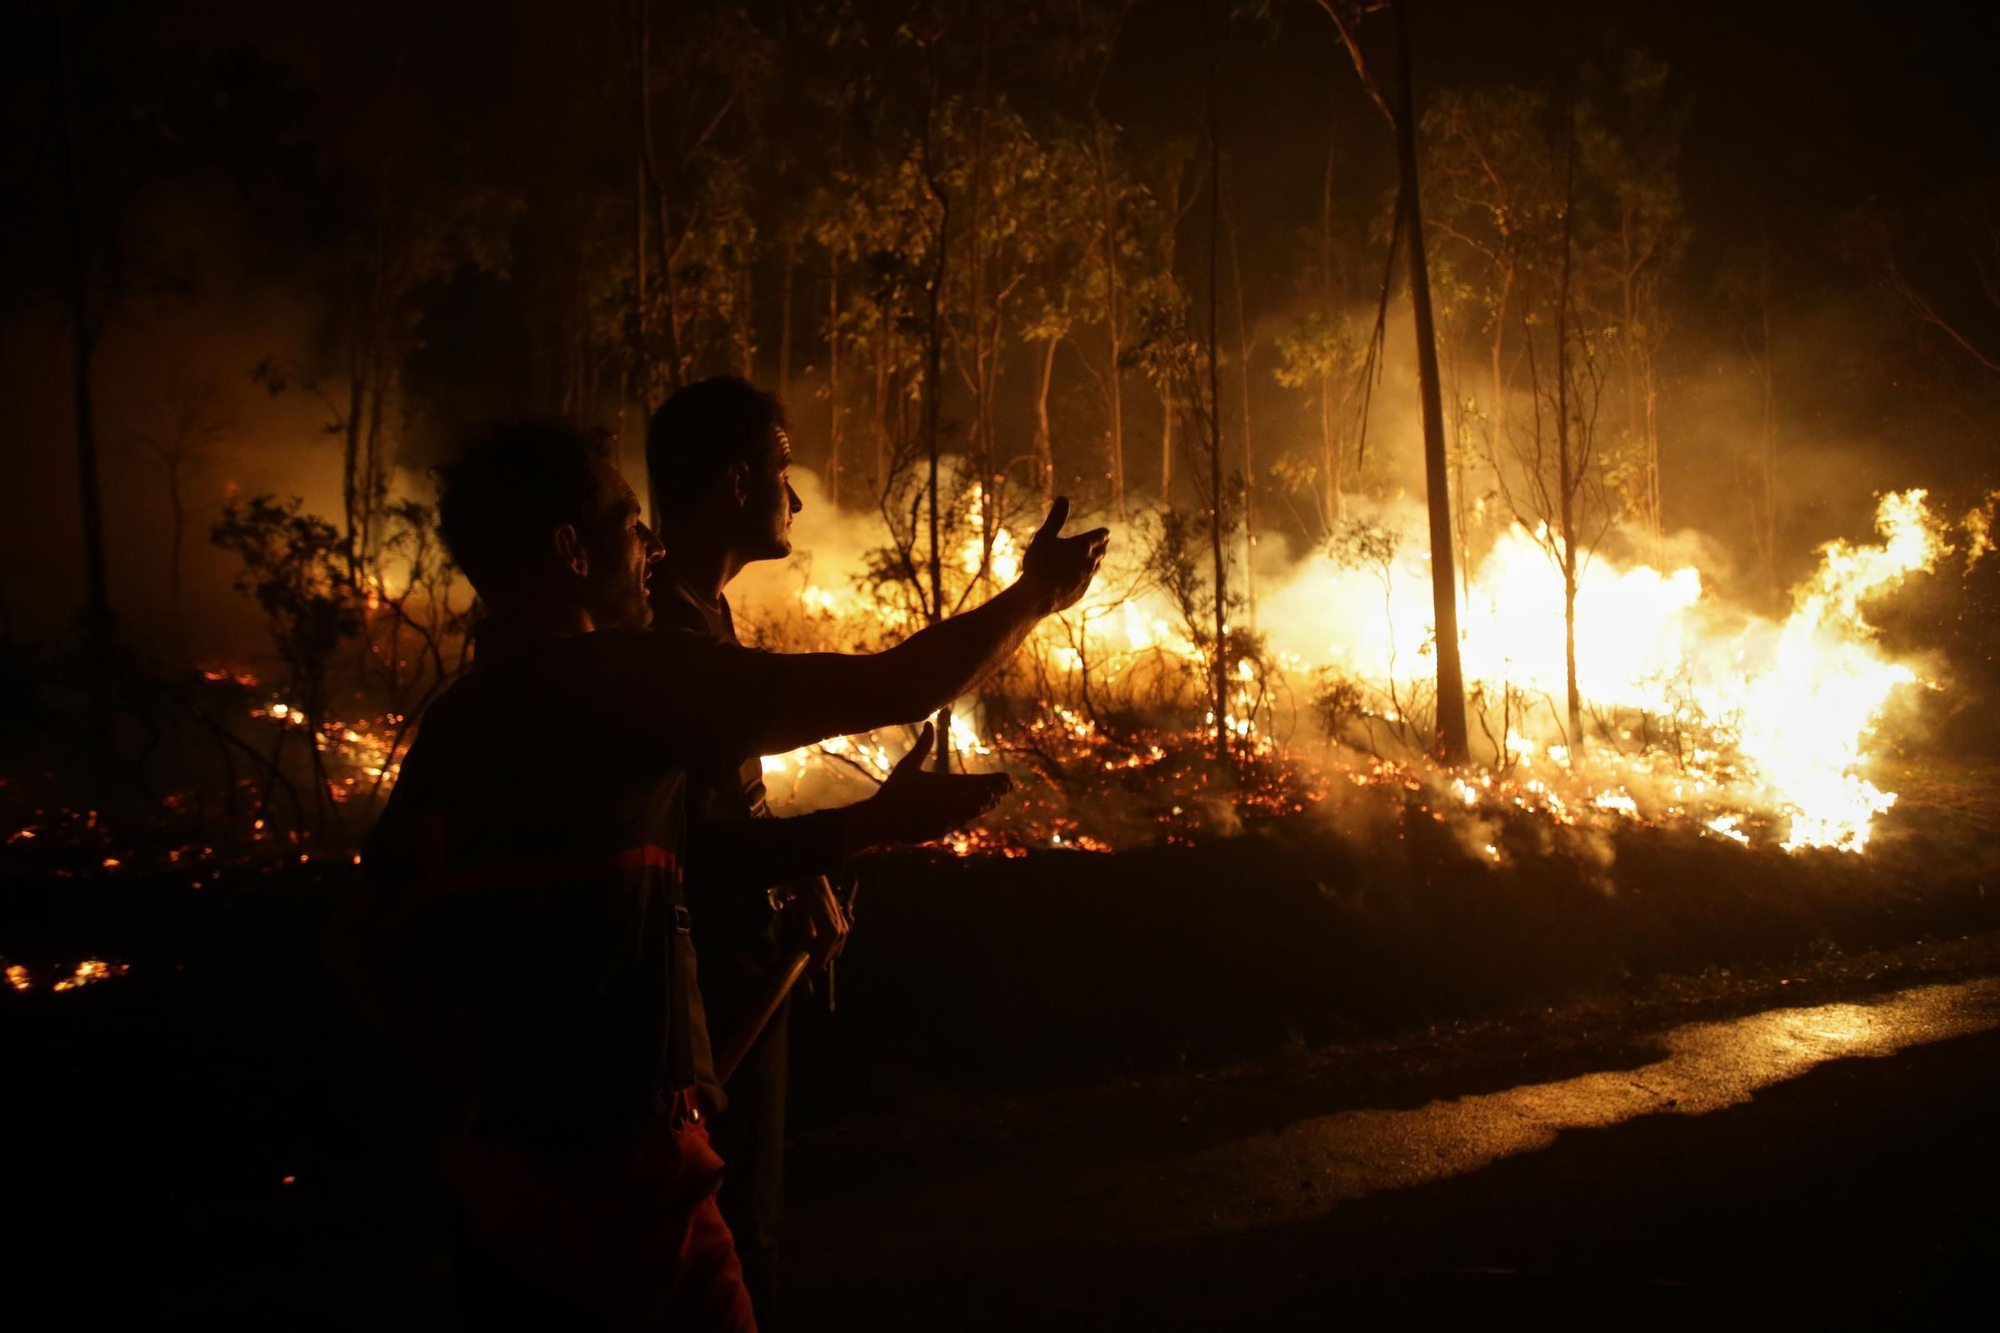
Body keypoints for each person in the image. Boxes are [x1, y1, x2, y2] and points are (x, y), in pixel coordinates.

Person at [353, 416, 1106, 1329]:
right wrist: (1036, 595)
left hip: (497, 1181)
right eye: (630, 522)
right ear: (568, 550)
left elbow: (366, 950)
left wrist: (497, 1100)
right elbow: (895, 687)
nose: (654, 543)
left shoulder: (458, 722)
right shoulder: (622, 678)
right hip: (628, 1176)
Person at [641, 377, 828, 1323]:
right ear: (731, 482)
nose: (793, 497)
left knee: (751, 1227)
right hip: (704, 995)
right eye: (781, 469)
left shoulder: (702, 612)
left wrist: (797, 873)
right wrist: (857, 831)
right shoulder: (662, 635)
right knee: (726, 1239)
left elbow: (727, 803)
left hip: (747, 964)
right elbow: (694, 844)